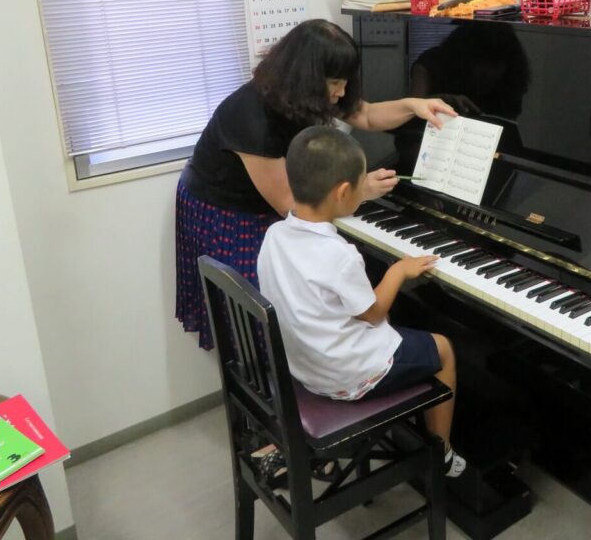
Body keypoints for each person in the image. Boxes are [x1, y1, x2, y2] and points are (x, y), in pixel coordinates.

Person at [176, 19, 454, 349]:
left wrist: (414, 106)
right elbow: (289, 205)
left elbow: (366, 115)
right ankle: (287, 377)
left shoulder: (305, 94)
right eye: (335, 82)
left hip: (275, 203)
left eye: (346, 81)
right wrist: (361, 190)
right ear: (307, 77)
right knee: (260, 318)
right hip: (225, 211)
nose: (342, 92)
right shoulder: (251, 117)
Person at [257, 126, 465, 477]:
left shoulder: (274, 235)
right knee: (443, 349)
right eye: (360, 185)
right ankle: (440, 452)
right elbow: (373, 313)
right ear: (343, 193)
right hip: (347, 377)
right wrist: (399, 271)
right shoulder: (339, 255)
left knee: (404, 329)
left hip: (305, 367)